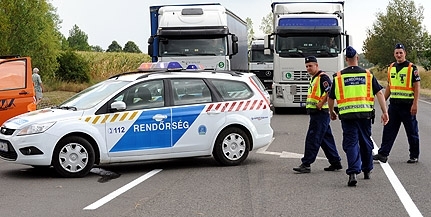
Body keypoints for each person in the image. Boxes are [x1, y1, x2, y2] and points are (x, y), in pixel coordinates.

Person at [328, 46, 389, 187]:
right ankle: (367, 170)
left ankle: (353, 173)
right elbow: (379, 93)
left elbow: (330, 98)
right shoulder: (367, 75)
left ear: (346, 59)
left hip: (347, 115)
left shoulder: (338, 77)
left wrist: (332, 111)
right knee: (365, 141)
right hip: (365, 115)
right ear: (357, 58)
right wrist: (385, 112)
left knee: (351, 143)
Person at [293, 56, 342, 174]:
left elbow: (330, 91)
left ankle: (306, 164)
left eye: (310, 66)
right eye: (306, 66)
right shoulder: (314, 78)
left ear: (316, 65)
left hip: (320, 113)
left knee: (313, 138)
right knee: (326, 139)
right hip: (317, 113)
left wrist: (321, 102)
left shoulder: (322, 77)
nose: (308, 68)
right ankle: (335, 162)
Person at [373, 43, 421, 164]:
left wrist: (415, 103)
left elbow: (417, 87)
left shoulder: (411, 68)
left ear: (405, 53)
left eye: (401, 52)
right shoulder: (391, 67)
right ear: (394, 54)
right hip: (394, 105)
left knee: (411, 131)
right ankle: (383, 154)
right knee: (388, 129)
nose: (399, 55)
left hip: (408, 105)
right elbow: (390, 86)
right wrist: (383, 100)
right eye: (397, 53)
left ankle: (414, 155)